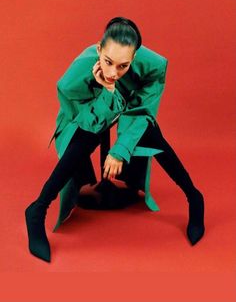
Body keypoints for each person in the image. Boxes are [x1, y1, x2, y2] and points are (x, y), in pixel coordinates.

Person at [25, 16, 205, 263]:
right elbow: (84, 119)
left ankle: (194, 196)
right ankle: (38, 208)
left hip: (131, 112)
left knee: (153, 136)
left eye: (123, 66)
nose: (113, 72)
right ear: (99, 50)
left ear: (135, 58)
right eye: (108, 62)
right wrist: (108, 92)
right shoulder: (75, 75)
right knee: (82, 142)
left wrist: (120, 150)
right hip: (90, 116)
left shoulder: (152, 67)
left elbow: (142, 111)